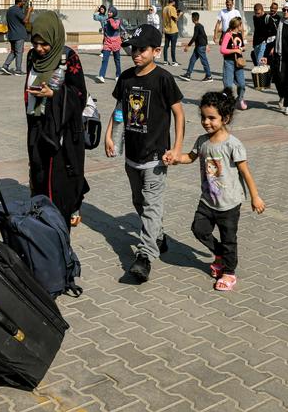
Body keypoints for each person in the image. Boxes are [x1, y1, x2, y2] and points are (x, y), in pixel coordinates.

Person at [104, 24, 185, 283]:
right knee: (139, 203)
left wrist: (177, 147)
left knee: (151, 206)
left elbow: (179, 114)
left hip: (156, 157)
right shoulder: (126, 77)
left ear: (156, 51)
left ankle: (144, 256)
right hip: (132, 156)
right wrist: (109, 134)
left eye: (142, 50)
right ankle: (158, 237)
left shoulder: (163, 79)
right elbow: (119, 109)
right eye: (133, 49)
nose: (136, 54)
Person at [174, 88, 265, 291]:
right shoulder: (202, 141)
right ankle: (220, 254)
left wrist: (255, 197)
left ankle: (229, 273)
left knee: (229, 239)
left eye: (211, 118)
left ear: (225, 118)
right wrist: (175, 158)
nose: (206, 122)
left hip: (229, 203)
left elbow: (245, 173)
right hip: (207, 200)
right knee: (199, 229)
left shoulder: (233, 145)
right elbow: (190, 157)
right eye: (204, 118)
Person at [24, 11, 88, 227]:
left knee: (62, 175)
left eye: (44, 44)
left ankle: (65, 212)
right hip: (37, 123)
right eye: (35, 43)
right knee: (38, 168)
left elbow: (80, 94)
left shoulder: (69, 57)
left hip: (63, 129)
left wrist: (54, 95)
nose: (39, 49)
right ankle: (41, 212)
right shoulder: (32, 57)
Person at [219, 17, 247, 110]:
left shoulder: (239, 34)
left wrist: (242, 49)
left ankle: (239, 99)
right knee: (228, 85)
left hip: (239, 62)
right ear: (237, 25)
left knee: (242, 84)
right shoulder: (228, 35)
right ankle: (226, 103)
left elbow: (242, 46)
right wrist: (235, 50)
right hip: (229, 62)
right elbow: (222, 50)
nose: (242, 27)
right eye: (241, 25)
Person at [0, 0, 32, 75]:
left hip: (11, 34)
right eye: (23, 2)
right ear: (19, 2)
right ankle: (18, 70)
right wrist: (29, 12)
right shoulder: (17, 10)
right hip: (18, 35)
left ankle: (5, 66)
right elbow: (25, 20)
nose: (24, 4)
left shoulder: (10, 9)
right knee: (19, 52)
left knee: (14, 52)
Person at [180, 12, 212, 82]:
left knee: (204, 61)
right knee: (192, 60)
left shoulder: (197, 26)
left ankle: (209, 76)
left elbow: (194, 37)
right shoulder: (201, 26)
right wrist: (206, 45)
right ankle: (188, 74)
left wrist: (188, 46)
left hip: (200, 47)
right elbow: (205, 36)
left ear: (193, 19)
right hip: (199, 47)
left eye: (192, 18)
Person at [94, 6, 122, 83]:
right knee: (104, 60)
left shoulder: (118, 20)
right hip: (107, 43)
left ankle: (118, 75)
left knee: (117, 60)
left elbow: (115, 27)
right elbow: (96, 18)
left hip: (116, 42)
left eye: (111, 12)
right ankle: (101, 76)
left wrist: (110, 20)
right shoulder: (105, 19)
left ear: (114, 13)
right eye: (108, 12)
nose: (109, 13)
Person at [162, 0, 179, 66]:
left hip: (166, 29)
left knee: (166, 46)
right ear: (173, 2)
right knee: (173, 46)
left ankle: (165, 61)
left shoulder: (165, 8)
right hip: (173, 30)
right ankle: (174, 61)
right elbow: (175, 18)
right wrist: (179, 15)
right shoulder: (172, 8)